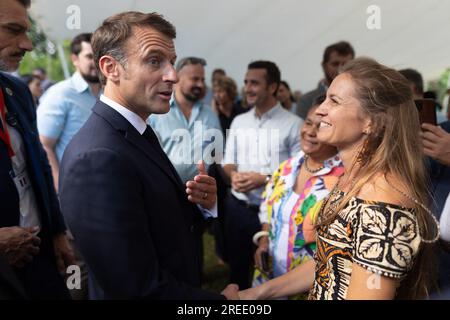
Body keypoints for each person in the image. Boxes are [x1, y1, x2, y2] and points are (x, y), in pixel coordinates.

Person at [223, 57, 439, 300]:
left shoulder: (383, 204)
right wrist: (255, 294)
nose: (320, 109)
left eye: (334, 101)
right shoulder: (353, 180)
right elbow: (330, 260)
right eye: (325, 97)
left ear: (372, 121)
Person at [59, 11, 225, 300]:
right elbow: (135, 288)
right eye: (154, 60)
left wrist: (202, 206)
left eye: (171, 62)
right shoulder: (98, 157)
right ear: (111, 68)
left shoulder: (134, 131)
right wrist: (223, 303)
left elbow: (158, 229)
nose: (172, 75)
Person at [0, 0, 74, 299]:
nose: (28, 45)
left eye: (26, 31)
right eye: (13, 30)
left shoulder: (16, 92)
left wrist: (56, 231)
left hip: (38, 257)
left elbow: (39, 164)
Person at [222, 60, 303, 290]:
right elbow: (228, 162)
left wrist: (265, 179)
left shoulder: (294, 125)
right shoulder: (239, 121)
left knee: (272, 274)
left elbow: (301, 173)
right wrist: (233, 176)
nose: (247, 88)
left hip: (275, 215)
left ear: (273, 87)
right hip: (238, 209)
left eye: (255, 83)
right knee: (236, 273)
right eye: (246, 82)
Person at [252, 97, 343, 299]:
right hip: (269, 281)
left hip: (308, 288)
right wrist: (264, 240)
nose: (310, 132)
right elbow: (267, 207)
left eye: (321, 126)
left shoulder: (344, 180)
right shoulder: (286, 168)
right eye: (308, 122)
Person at [37, 33, 101, 192]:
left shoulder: (108, 94)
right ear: (75, 59)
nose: (95, 62)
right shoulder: (60, 94)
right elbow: (44, 145)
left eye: (99, 56)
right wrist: (61, 188)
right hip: (74, 191)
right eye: (89, 56)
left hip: (105, 187)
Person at [149, 56, 222, 183]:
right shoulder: (156, 113)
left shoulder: (210, 115)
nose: (200, 84)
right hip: (164, 192)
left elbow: (220, 154)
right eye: (194, 79)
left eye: (202, 80)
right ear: (177, 78)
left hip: (200, 195)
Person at [296, 41, 354, 120]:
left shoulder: (360, 98)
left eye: (346, 64)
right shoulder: (306, 101)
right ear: (324, 66)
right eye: (335, 64)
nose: (340, 69)